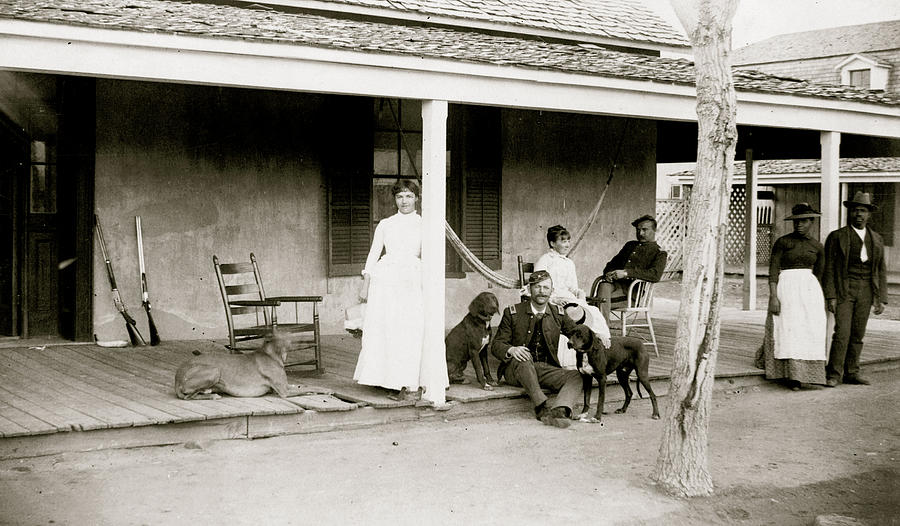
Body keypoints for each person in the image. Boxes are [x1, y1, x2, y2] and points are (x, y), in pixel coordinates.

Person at [354, 180, 441, 400]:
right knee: (386, 328)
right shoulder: (385, 224)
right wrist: (366, 284)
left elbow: (432, 257)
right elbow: (373, 254)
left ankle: (407, 380)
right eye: (400, 197)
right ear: (395, 199)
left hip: (412, 280)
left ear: (417, 199)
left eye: (409, 196)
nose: (404, 201)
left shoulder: (425, 224)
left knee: (408, 330)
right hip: (385, 281)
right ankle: (385, 378)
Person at [491, 270, 582, 428]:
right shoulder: (513, 313)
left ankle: (560, 409)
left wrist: (599, 336)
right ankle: (541, 407)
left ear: (551, 291)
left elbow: (577, 333)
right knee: (524, 358)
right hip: (516, 370)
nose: (542, 291)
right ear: (529, 289)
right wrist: (512, 350)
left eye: (546, 288)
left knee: (576, 375)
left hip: (544, 369)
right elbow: (497, 345)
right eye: (537, 287)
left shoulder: (558, 313)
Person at [755, 203, 826, 390]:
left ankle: (808, 374)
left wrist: (816, 296)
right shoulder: (783, 242)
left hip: (809, 291)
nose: (799, 225)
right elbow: (773, 271)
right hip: (786, 288)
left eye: (803, 221)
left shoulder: (817, 246)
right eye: (796, 221)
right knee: (787, 328)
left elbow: (819, 275)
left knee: (808, 329)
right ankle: (790, 375)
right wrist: (773, 296)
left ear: (812, 222)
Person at [822, 191, 888, 387]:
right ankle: (833, 373)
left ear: (869, 214)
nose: (859, 214)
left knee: (858, 333)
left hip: (867, 289)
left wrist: (881, 298)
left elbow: (880, 269)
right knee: (842, 332)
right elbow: (829, 269)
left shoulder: (877, 239)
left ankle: (852, 372)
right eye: (856, 210)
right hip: (844, 288)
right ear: (850, 213)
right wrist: (831, 296)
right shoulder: (837, 237)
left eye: (863, 211)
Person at [534, 225, 611, 367]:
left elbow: (572, 286)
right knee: (568, 315)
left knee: (593, 312)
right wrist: (552, 298)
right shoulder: (545, 260)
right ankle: (568, 358)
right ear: (552, 243)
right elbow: (537, 285)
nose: (567, 244)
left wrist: (579, 293)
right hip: (551, 298)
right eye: (563, 241)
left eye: (568, 240)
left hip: (569, 298)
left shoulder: (569, 263)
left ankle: (599, 345)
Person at [596, 214, 668, 322]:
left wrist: (626, 273)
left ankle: (602, 332)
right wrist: (609, 273)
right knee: (604, 285)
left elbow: (655, 275)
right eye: (638, 230)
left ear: (654, 230)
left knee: (597, 302)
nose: (640, 233)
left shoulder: (659, 252)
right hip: (614, 287)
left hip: (631, 294)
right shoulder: (630, 245)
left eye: (645, 230)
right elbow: (612, 264)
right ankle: (603, 331)